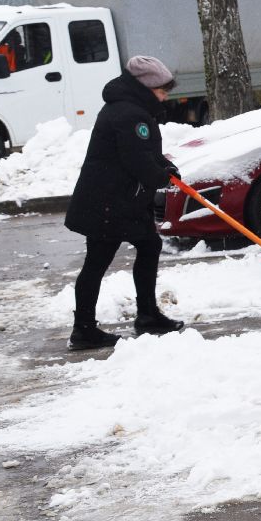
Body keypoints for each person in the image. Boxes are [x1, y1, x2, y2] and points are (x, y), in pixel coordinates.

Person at [64, 55, 185, 350]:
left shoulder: (131, 109)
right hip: (108, 202)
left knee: (149, 245)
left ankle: (147, 315)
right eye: (162, 89)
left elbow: (143, 152)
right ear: (145, 87)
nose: (165, 95)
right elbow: (135, 160)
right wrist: (160, 175)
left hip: (122, 199)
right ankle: (84, 330)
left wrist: (163, 166)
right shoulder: (130, 114)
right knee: (96, 262)